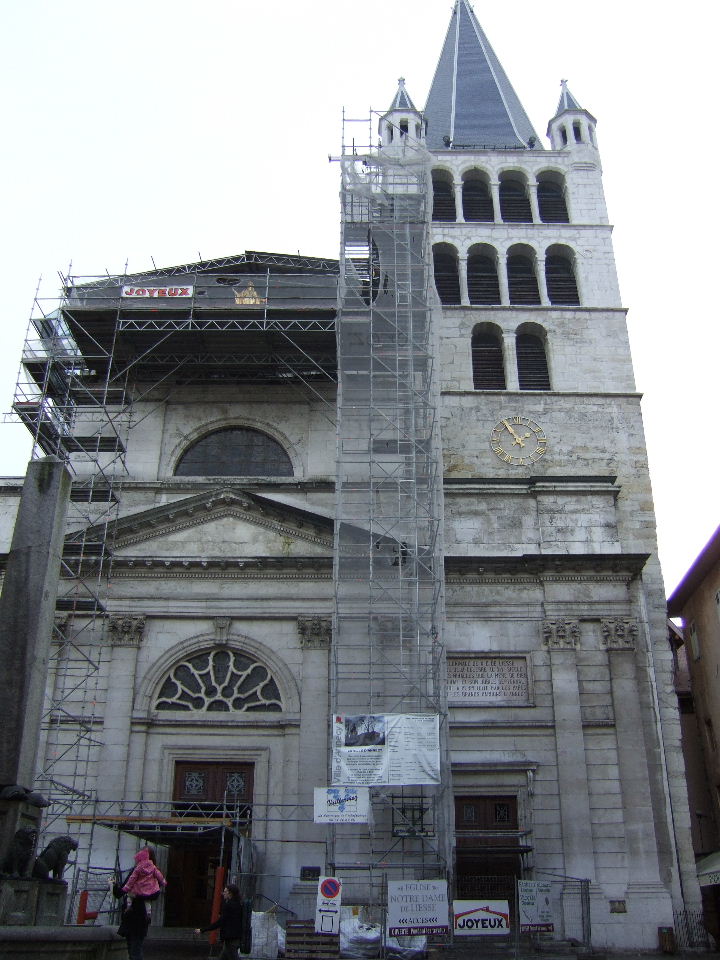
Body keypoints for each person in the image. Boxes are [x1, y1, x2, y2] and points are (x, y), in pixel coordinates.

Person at [109, 847, 163, 960]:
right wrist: (114, 886)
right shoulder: (149, 872)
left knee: (134, 950)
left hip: (136, 915)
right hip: (136, 915)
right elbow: (121, 892)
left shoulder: (142, 871)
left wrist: (115, 886)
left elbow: (121, 892)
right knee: (133, 949)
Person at [195, 884, 246, 960]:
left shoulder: (228, 905)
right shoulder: (239, 904)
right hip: (235, 937)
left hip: (230, 939)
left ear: (230, 893)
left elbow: (220, 922)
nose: (223, 893)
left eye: (225, 892)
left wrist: (203, 930)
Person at [122, 847, 167, 917]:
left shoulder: (137, 869)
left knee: (129, 895)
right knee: (147, 901)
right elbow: (159, 876)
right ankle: (148, 912)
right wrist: (163, 881)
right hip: (148, 894)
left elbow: (132, 879)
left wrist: (126, 887)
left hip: (137, 897)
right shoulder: (153, 868)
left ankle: (128, 906)